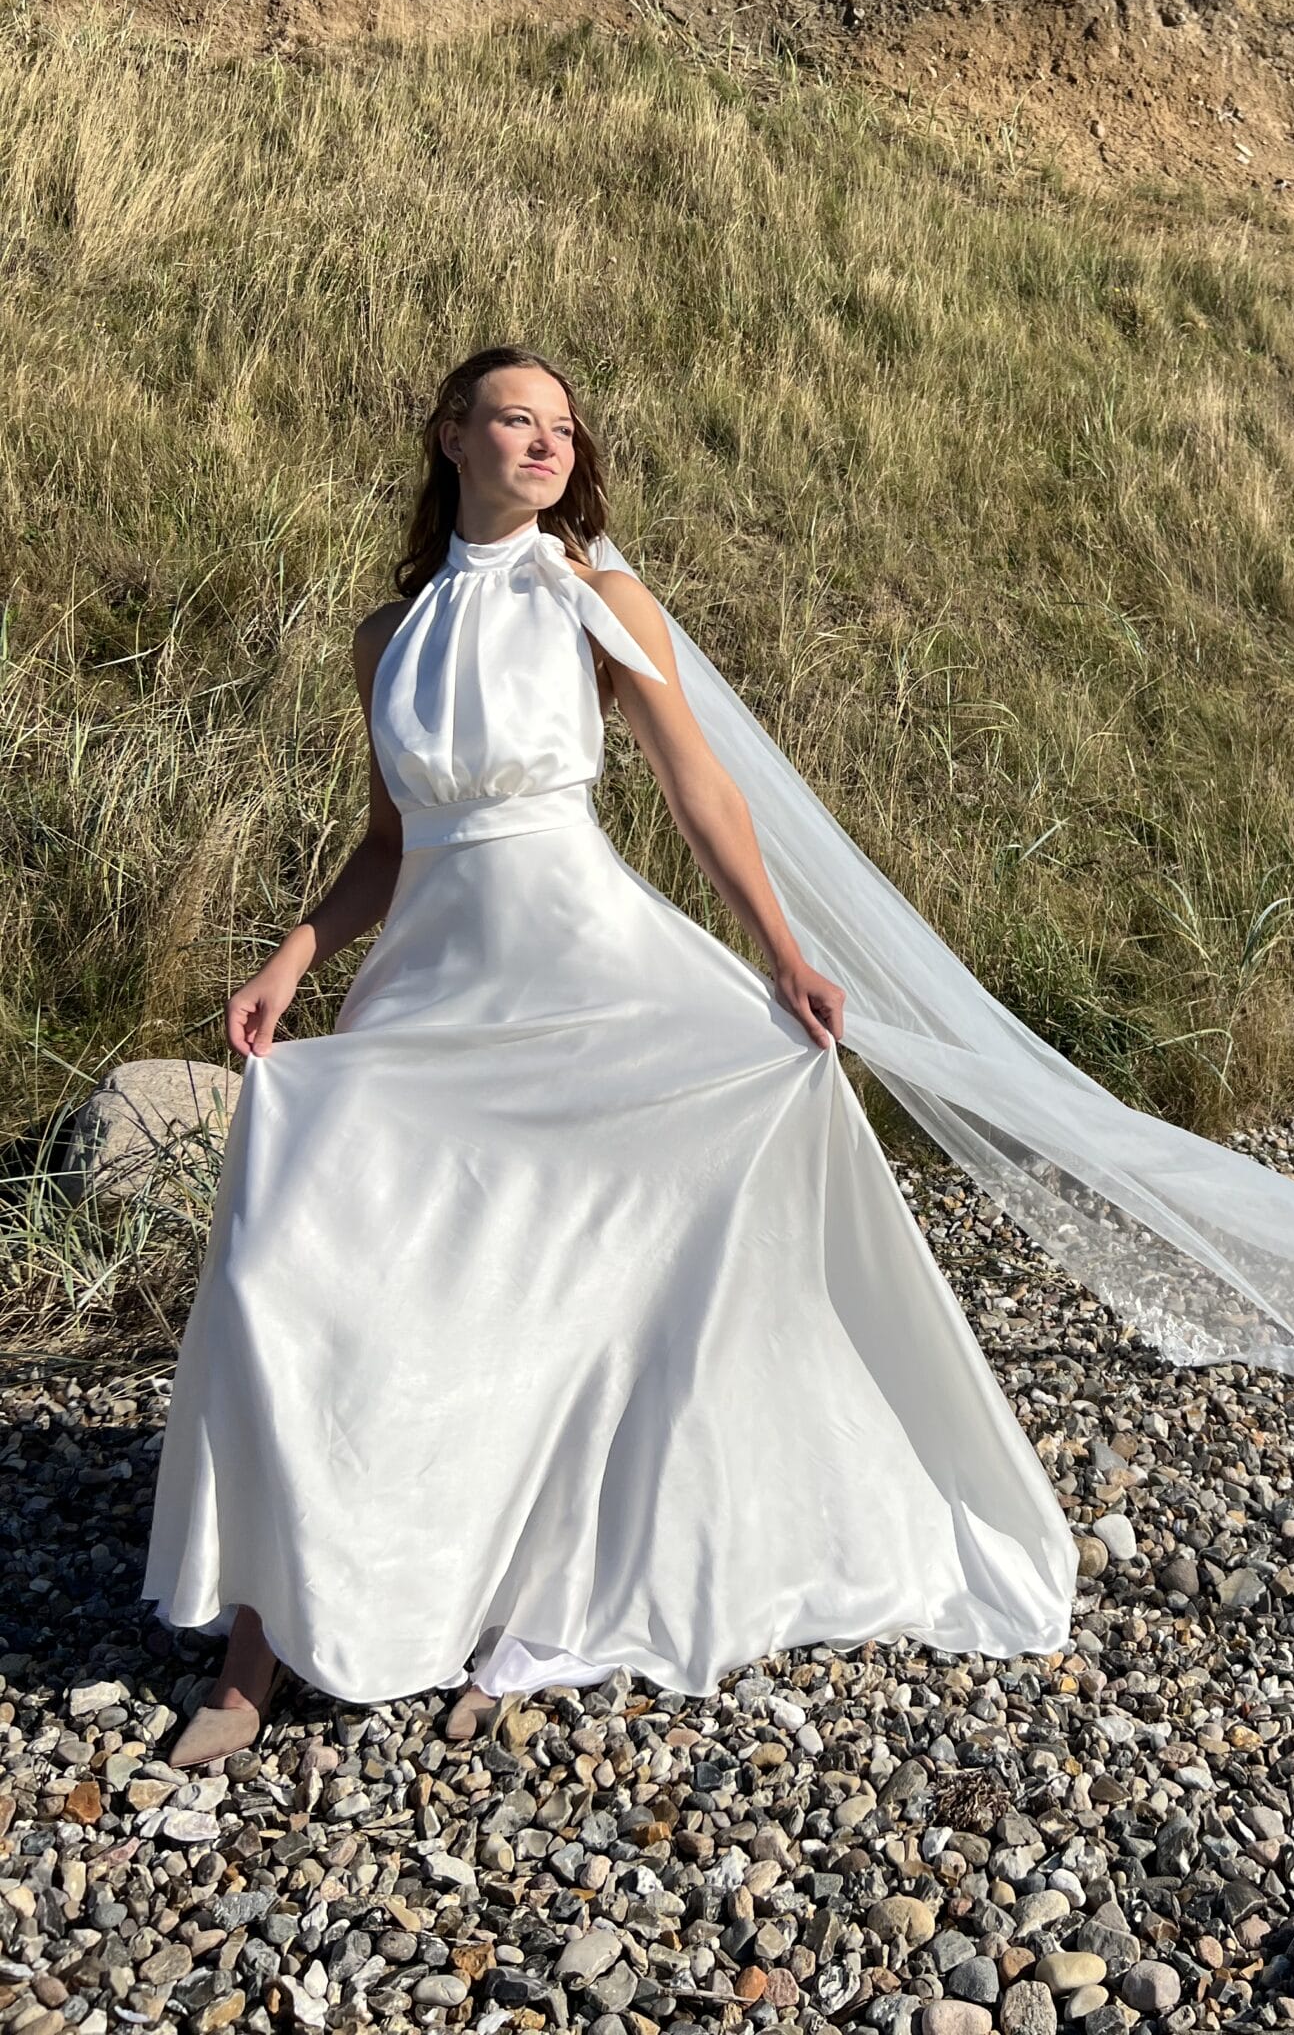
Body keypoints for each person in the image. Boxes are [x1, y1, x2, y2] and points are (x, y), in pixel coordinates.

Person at [145, 346, 1082, 1765]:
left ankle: (545, 1590)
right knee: (292, 1258)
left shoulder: (595, 600)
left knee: (575, 1274)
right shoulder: (386, 637)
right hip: (430, 997)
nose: (547, 445)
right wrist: (291, 958)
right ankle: (263, 1636)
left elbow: (699, 786)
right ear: (451, 433)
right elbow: (393, 843)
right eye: (516, 421)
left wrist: (781, 951)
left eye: (565, 430)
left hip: (590, 974)